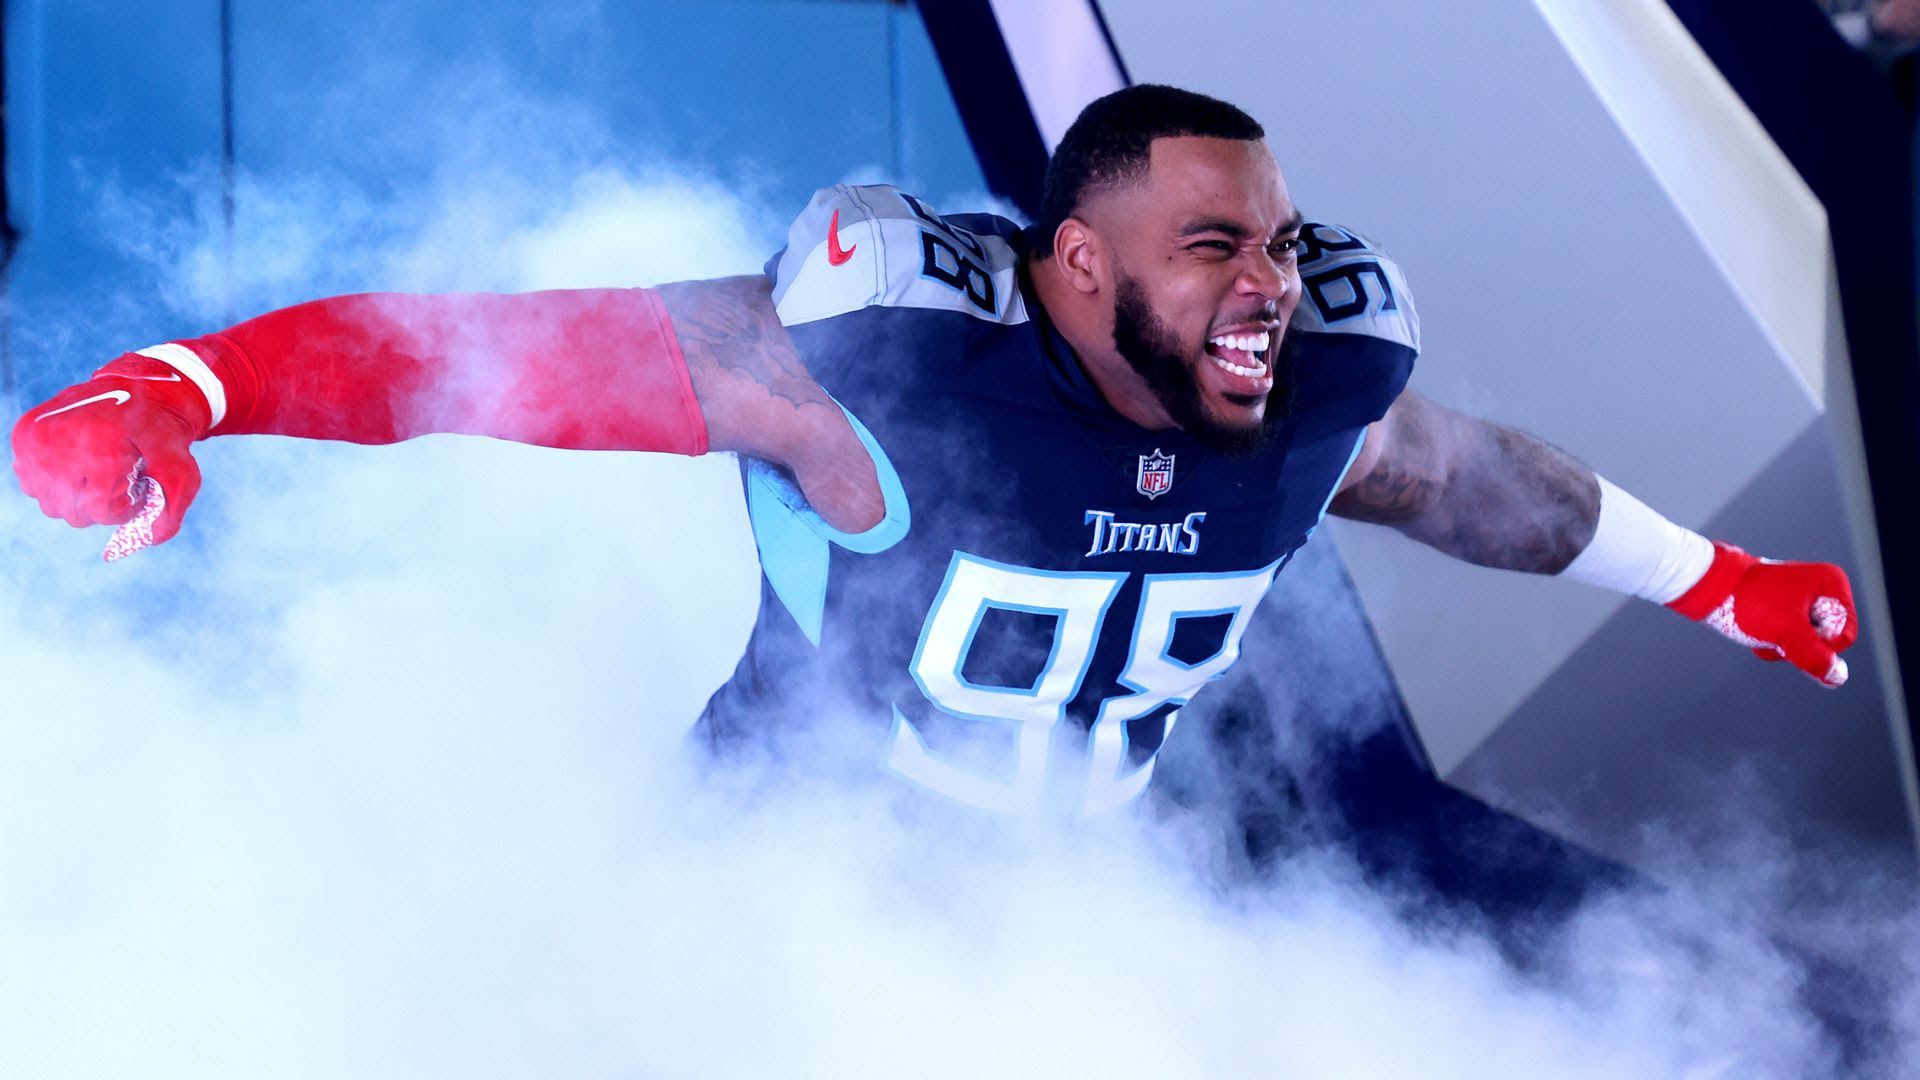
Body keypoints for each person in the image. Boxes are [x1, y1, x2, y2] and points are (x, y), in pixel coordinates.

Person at [10, 85, 1858, 818]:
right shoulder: (872, 367)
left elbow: (1475, 488)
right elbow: (479, 362)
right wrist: (180, 386)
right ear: (1077, 266)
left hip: (1067, 893)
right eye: (1214, 248)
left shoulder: (1309, 386)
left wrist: (1725, 584)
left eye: (1282, 247)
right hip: (782, 865)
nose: (1270, 291)